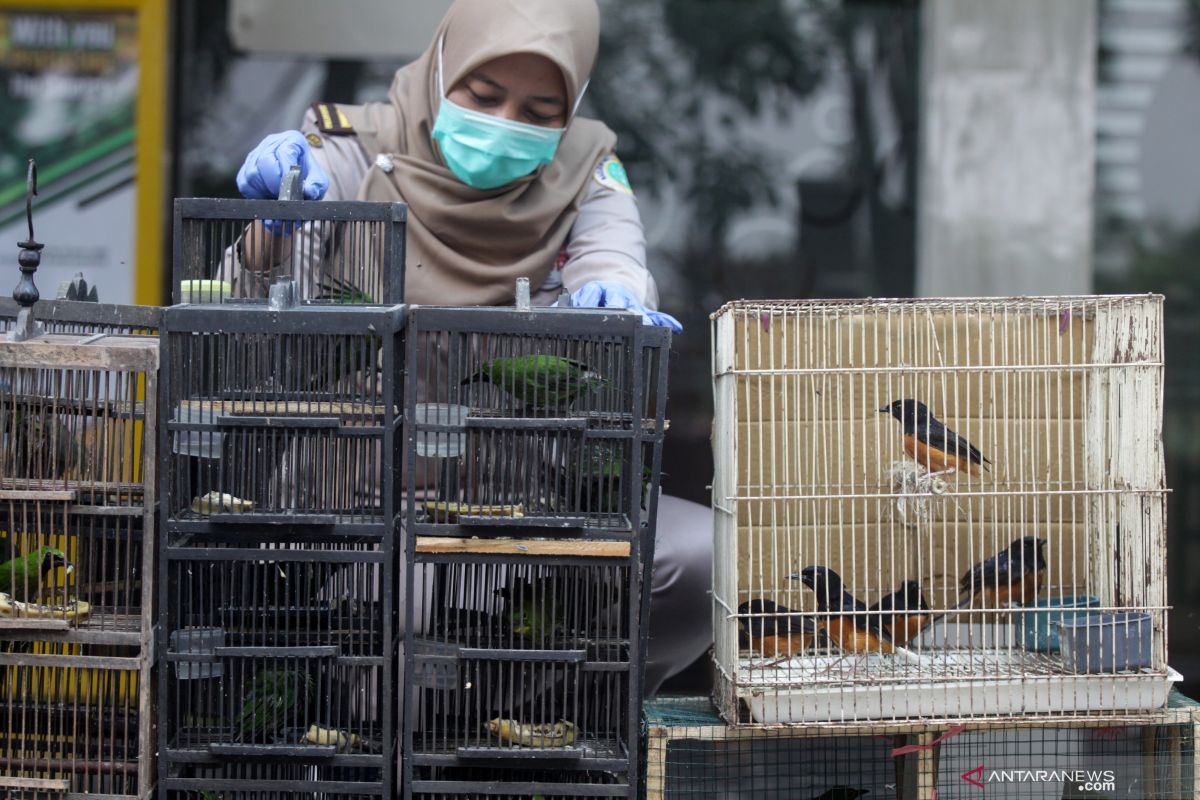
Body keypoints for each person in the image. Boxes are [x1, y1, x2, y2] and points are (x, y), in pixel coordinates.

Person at [232, 0, 711, 696]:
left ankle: (561, 731)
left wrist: (614, 296)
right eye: (483, 95)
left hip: (527, 504)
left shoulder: (585, 169)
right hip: (359, 505)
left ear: (571, 106)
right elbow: (247, 321)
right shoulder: (348, 148)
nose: (505, 124)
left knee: (696, 559)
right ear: (443, 66)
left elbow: (613, 254)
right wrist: (267, 229)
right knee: (416, 616)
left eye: (540, 109)